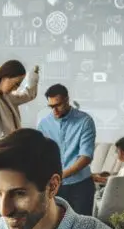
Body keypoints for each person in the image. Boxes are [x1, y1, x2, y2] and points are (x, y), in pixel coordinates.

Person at [37, 84, 97, 218]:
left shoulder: (85, 121)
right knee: (55, 228)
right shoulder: (43, 125)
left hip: (80, 186)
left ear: (67, 100)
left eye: (58, 105)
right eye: (51, 106)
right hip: (55, 187)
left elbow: (86, 157)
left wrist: (61, 175)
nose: (55, 110)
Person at [0, 60, 40, 142]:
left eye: (19, 85)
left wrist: (34, 76)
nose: (16, 88)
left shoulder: (7, 96)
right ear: (5, 77)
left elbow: (28, 95)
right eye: (16, 83)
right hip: (4, 151)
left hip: (14, 148)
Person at [93, 136, 124, 210]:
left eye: (117, 150)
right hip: (123, 197)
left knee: (95, 193)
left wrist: (99, 179)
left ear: (123, 152)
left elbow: (117, 186)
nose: (116, 152)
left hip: (122, 202)